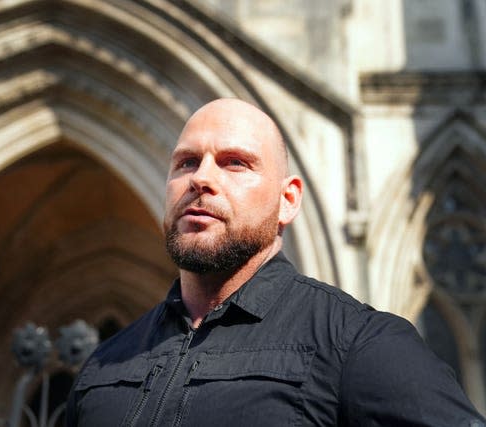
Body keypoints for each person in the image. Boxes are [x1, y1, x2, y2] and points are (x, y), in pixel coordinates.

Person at [65, 98, 484, 426]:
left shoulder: (357, 343)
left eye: (235, 163)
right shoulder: (104, 366)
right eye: (186, 162)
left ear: (287, 201)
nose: (201, 179)